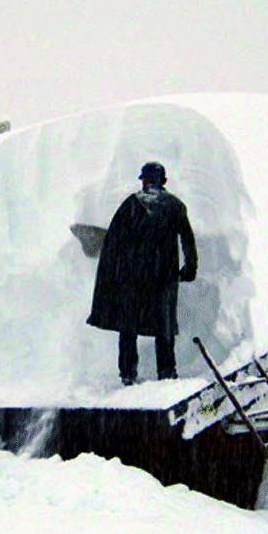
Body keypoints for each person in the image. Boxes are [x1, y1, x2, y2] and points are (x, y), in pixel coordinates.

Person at [87, 162, 198, 385]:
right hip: (163, 278)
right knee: (163, 326)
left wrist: (114, 275)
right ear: (164, 181)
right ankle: (166, 373)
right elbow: (188, 241)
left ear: (144, 181)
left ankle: (128, 374)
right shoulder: (175, 206)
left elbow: (114, 242)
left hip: (133, 278)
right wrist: (189, 269)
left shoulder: (132, 204)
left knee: (129, 325)